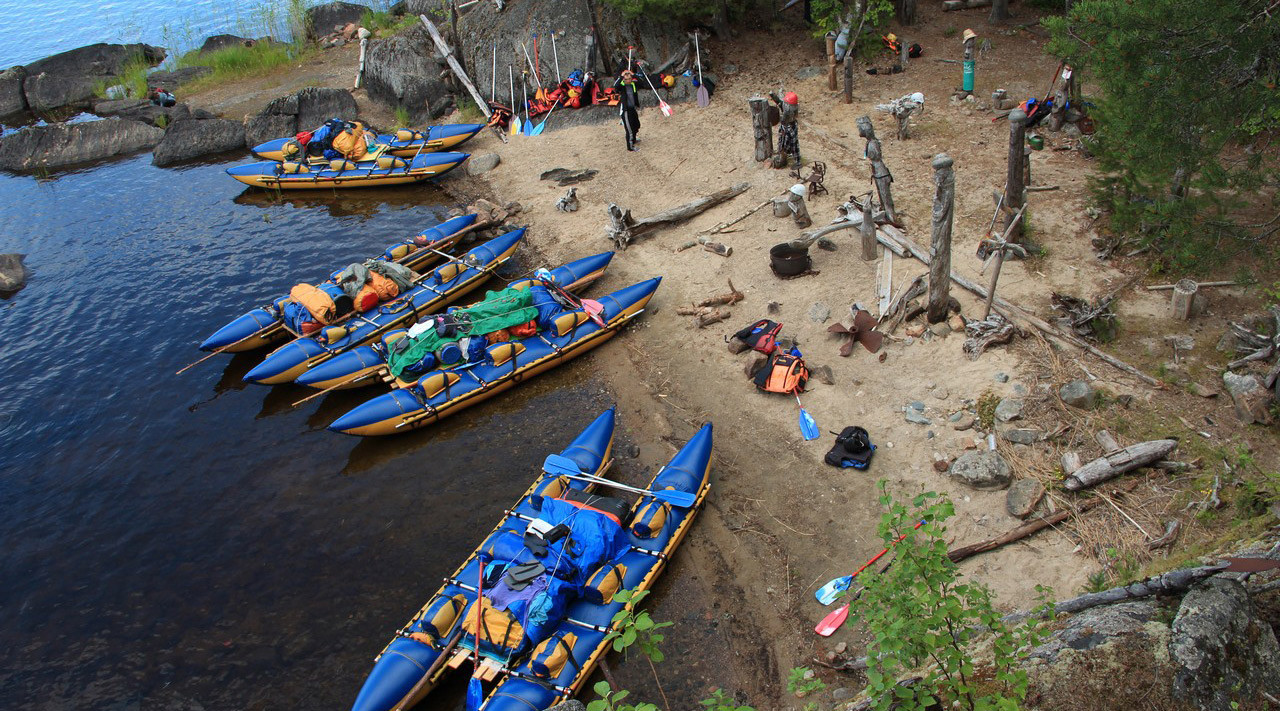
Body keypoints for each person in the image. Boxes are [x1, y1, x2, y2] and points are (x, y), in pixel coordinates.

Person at [769, 91, 800, 167]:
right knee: (782, 142)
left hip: (790, 127)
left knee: (793, 145)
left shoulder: (790, 110)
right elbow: (780, 102)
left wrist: (780, 119)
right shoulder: (787, 105)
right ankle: (783, 156)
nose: (785, 105)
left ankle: (797, 161)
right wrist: (773, 96)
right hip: (785, 127)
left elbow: (784, 118)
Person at [614, 69, 642, 151]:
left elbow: (642, 82)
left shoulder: (633, 84)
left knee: (636, 125)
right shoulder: (621, 86)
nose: (628, 80)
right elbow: (616, 86)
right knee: (629, 129)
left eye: (629, 78)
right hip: (626, 111)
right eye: (626, 79)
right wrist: (621, 76)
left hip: (632, 109)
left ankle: (634, 139)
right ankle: (630, 147)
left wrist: (633, 74)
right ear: (623, 79)